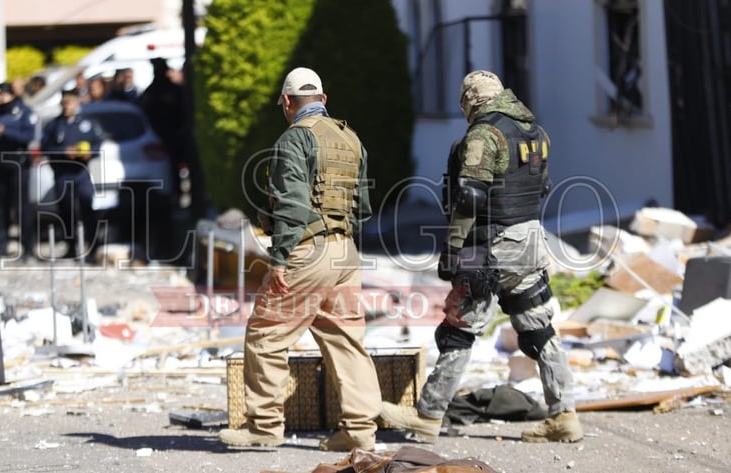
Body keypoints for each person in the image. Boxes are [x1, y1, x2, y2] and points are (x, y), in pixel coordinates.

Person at [380, 70, 583, 443]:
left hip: (491, 242)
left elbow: (471, 197)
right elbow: (543, 186)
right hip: (530, 238)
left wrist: (454, 249)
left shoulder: (484, 135)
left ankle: (428, 415)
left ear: (472, 99)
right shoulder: (535, 133)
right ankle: (564, 414)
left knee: (460, 326)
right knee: (538, 327)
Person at [218, 67, 381, 452]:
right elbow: (364, 208)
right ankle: (359, 431)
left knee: (266, 334)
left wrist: (278, 259)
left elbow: (292, 204)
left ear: (287, 103)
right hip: (345, 253)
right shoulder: (352, 139)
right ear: (324, 100)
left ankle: (264, 427)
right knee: (346, 340)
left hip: (306, 251)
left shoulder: (294, 140)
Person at [40, 88, 103, 259]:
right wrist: (63, 152)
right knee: (66, 211)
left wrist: (91, 153)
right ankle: (70, 247)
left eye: (71, 103)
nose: (67, 106)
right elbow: (45, 147)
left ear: (77, 103)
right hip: (63, 173)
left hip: (81, 172)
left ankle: (93, 245)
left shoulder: (86, 123)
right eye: (64, 103)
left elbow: (98, 143)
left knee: (87, 207)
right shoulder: (54, 125)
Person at [0, 82, 38, 260]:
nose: (0, 99)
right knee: (0, 208)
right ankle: (0, 245)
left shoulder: (23, 111)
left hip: (18, 165)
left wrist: (5, 131)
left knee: (22, 208)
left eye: (3, 95)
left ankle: (28, 248)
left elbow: (28, 136)